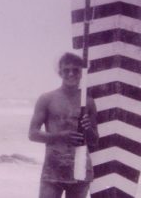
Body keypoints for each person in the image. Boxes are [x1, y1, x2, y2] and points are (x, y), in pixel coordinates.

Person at [28, 52, 99, 198]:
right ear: (60, 72)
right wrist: (60, 136)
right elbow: (33, 134)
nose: (71, 74)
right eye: (66, 70)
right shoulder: (47, 99)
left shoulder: (88, 102)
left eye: (75, 70)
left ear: (82, 73)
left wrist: (88, 130)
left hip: (80, 168)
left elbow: (94, 141)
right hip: (53, 168)